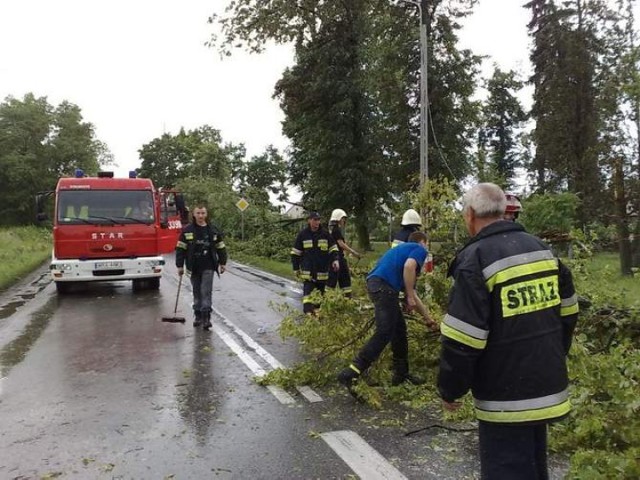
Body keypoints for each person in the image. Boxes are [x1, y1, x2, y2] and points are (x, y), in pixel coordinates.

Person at [437, 183, 579, 479]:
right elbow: (568, 312)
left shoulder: (475, 260)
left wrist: (451, 388)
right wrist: (552, 355)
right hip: (545, 385)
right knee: (534, 468)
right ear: (503, 210)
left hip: (504, 398)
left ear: (471, 214)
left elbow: (463, 338)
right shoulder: (541, 249)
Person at [337, 231, 438, 391]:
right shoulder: (419, 249)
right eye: (427, 243)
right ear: (422, 242)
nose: (427, 248)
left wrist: (428, 319)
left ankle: (401, 374)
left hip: (376, 285)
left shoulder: (401, 251)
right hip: (385, 287)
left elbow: (411, 290)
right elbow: (410, 267)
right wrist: (409, 296)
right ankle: (352, 371)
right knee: (384, 331)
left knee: (399, 330)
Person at [175, 205, 228, 331]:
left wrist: (222, 262)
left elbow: (221, 247)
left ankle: (206, 318)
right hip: (193, 266)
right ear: (193, 214)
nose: (200, 216)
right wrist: (179, 265)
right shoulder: (187, 230)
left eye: (203, 213)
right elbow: (180, 249)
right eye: (198, 213)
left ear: (206, 214)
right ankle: (198, 315)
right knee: (197, 292)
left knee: (206, 291)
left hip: (209, 266)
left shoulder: (213, 230)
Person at [291, 211, 339, 314]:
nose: (317, 222)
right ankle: (309, 315)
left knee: (319, 301)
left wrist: (335, 260)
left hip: (322, 274)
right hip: (308, 274)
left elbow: (333, 248)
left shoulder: (325, 234)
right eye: (315, 220)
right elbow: (295, 253)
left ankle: (316, 318)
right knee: (307, 299)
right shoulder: (303, 235)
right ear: (309, 220)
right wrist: (296, 268)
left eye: (318, 220)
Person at [327, 208, 361, 297]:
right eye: (343, 218)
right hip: (337, 258)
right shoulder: (336, 230)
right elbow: (341, 244)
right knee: (338, 278)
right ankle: (342, 297)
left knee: (342, 277)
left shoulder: (333, 229)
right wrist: (354, 252)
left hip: (337, 257)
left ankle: (345, 297)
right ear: (338, 218)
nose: (344, 220)